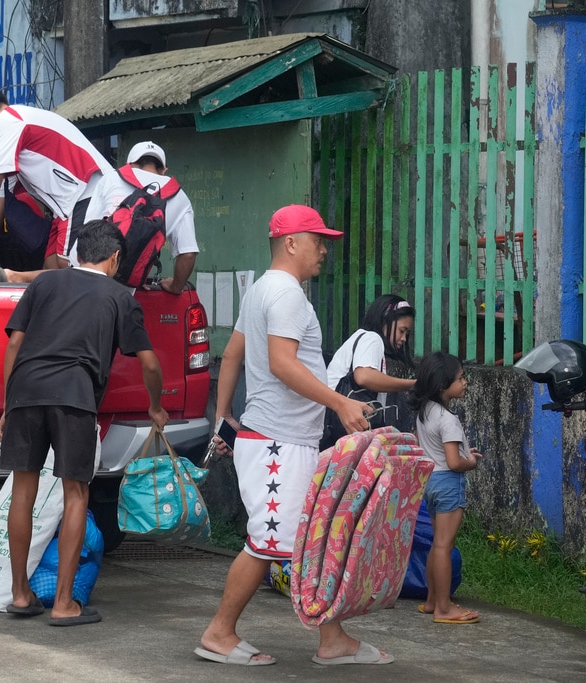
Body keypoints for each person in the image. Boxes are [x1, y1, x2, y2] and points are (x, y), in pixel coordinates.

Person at [196, 204, 388, 667]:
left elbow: (235, 353)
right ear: (291, 242)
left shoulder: (262, 289)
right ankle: (219, 633)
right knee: (267, 541)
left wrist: (224, 416)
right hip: (277, 445)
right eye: (318, 240)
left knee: (305, 541)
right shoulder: (286, 295)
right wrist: (339, 402)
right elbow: (282, 364)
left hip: (278, 439)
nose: (324, 249)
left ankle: (333, 638)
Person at [0, 220, 169, 626]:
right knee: (76, 494)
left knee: (23, 491)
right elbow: (148, 362)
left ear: (76, 252)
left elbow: (16, 343)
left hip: (25, 390)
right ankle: (62, 604)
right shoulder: (119, 296)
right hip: (74, 395)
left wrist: (9, 405)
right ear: (114, 259)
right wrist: (156, 405)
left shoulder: (43, 284)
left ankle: (21, 595)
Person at [0, 85, 112, 269]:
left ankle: (13, 278)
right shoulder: (15, 128)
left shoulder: (7, 122)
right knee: (50, 265)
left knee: (68, 265)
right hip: (68, 204)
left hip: (86, 193)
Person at [410, 351, 484, 624]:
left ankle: (431, 601)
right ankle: (444, 607)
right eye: (461, 378)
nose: (465, 382)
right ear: (443, 386)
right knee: (444, 546)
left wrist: (464, 453)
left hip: (430, 482)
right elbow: (454, 463)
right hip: (448, 483)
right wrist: (471, 462)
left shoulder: (425, 412)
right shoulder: (448, 418)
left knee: (435, 544)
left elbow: (426, 449)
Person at [81, 141, 199, 294]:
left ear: (129, 164)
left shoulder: (110, 179)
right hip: (125, 288)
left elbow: (87, 229)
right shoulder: (179, 197)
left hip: (89, 277)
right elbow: (188, 254)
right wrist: (175, 287)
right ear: (163, 170)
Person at [322, 294, 418, 449]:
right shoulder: (372, 339)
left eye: (407, 333)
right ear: (385, 321)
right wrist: (412, 384)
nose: (404, 338)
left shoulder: (362, 338)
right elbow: (364, 376)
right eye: (402, 330)